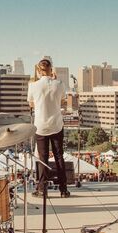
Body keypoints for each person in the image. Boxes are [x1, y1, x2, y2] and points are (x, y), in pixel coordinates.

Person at [28, 58, 70, 198]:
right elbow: (62, 100)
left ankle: (42, 189)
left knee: (43, 158)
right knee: (59, 157)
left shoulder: (33, 86)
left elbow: (31, 104)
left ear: (39, 71)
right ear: (51, 69)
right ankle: (63, 190)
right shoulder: (59, 84)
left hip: (40, 126)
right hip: (56, 124)